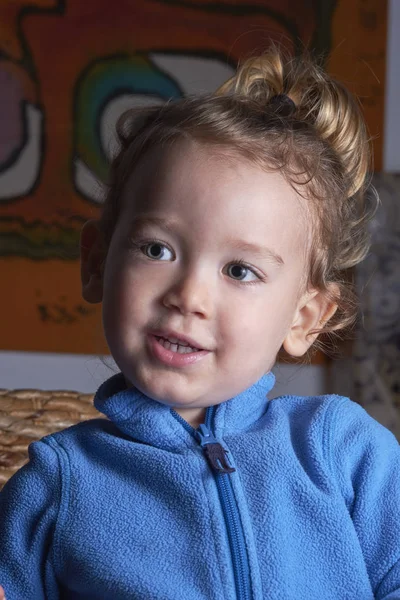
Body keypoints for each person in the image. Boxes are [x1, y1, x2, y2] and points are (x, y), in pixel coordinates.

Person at [1, 46, 399, 600]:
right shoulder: (55, 485)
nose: (189, 296)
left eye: (240, 269)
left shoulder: (345, 452)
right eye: (157, 249)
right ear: (97, 263)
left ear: (305, 317)